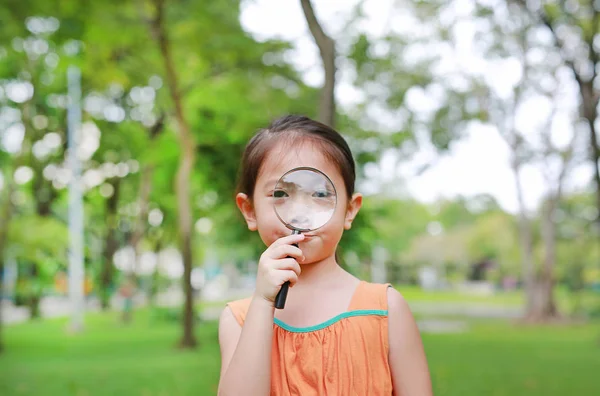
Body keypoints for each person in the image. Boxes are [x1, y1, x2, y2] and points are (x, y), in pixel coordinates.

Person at [218, 115, 432, 395]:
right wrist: (262, 303)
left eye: (319, 193)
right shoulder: (239, 318)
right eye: (280, 193)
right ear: (249, 210)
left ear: (349, 210)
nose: (300, 212)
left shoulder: (386, 309)